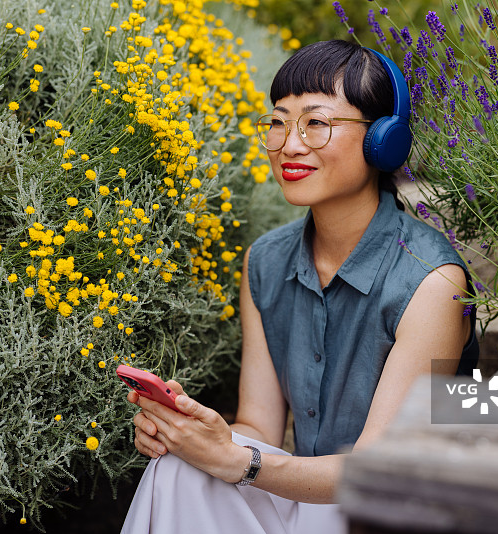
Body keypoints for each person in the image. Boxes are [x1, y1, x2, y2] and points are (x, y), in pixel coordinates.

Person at [120, 39, 478, 534]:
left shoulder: (434, 281)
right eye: (278, 122)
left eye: (315, 122)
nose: (289, 144)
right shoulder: (266, 260)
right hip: (314, 503)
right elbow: (259, 429)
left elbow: (378, 472)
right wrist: (198, 436)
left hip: (397, 512)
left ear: (384, 139)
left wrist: (239, 462)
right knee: (179, 469)